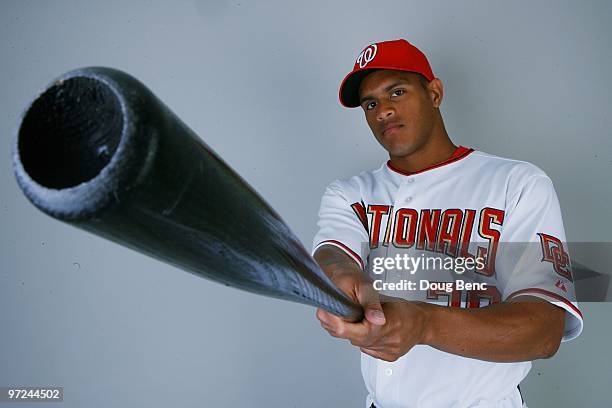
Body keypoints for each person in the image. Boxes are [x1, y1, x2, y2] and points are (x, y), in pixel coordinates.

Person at [312, 39, 583, 408]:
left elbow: (544, 329)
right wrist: (340, 279)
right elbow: (333, 256)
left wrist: (423, 324)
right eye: (370, 103)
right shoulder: (350, 194)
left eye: (397, 91)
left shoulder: (516, 184)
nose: (383, 111)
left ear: (434, 93)